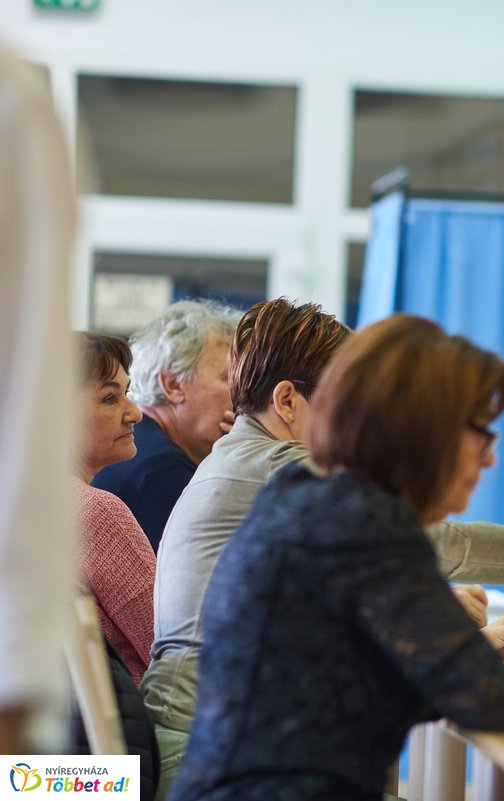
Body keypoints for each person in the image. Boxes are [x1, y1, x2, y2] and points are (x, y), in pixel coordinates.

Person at [145, 297, 504, 798]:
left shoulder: (319, 497)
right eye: (479, 433)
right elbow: (488, 697)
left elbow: (355, 679)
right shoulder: (345, 506)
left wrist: (452, 654)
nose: (491, 458)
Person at [0, 41, 77, 754]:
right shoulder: (105, 509)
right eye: (111, 395)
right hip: (144, 769)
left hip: (114, 767)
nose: (131, 410)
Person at [93, 299, 241, 551]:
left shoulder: (140, 444)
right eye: (231, 378)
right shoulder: (162, 470)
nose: (244, 394)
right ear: (173, 386)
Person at [75, 333, 158, 684]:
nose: (134, 413)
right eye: (110, 398)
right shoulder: (97, 512)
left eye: (127, 392)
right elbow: (169, 648)